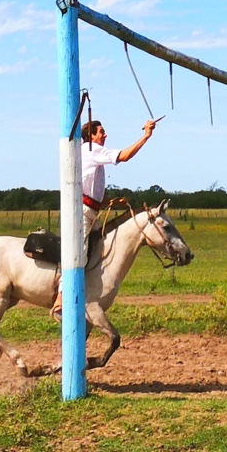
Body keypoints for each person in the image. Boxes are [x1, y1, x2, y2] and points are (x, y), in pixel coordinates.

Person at [54, 118, 156, 318]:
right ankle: (61, 300)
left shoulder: (89, 152)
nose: (105, 135)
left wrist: (109, 200)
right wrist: (146, 136)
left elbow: (88, 187)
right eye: (101, 132)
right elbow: (124, 156)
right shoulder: (92, 149)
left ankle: (86, 294)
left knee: (98, 251)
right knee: (78, 254)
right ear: (91, 136)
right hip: (82, 212)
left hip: (91, 210)